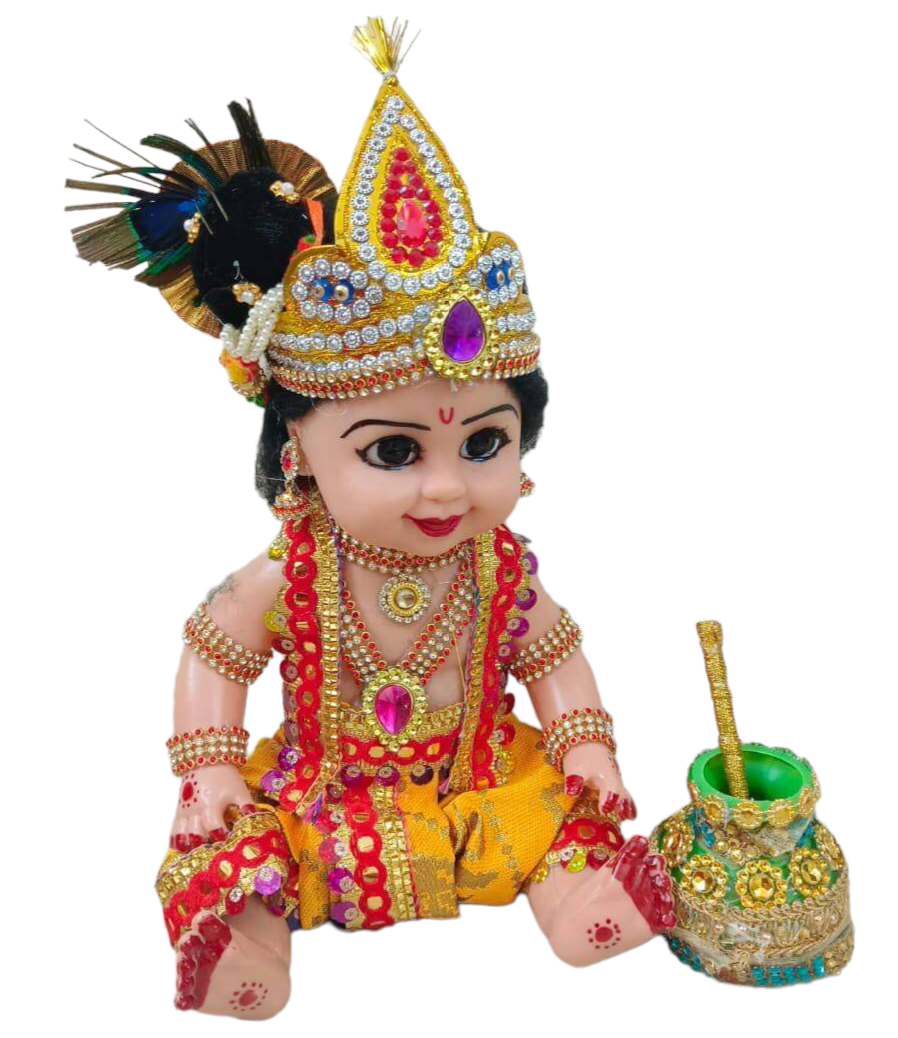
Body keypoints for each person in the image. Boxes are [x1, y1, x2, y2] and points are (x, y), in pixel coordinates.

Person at [67, 18, 674, 1019]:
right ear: (299, 449)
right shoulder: (292, 574)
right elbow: (215, 653)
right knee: (243, 851)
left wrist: (584, 746)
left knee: (557, 825)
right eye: (394, 451)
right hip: (321, 794)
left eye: (485, 443)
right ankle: (246, 949)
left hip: (480, 779)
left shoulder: (500, 570)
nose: (446, 490)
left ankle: (590, 909)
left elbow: (554, 651)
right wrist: (210, 772)